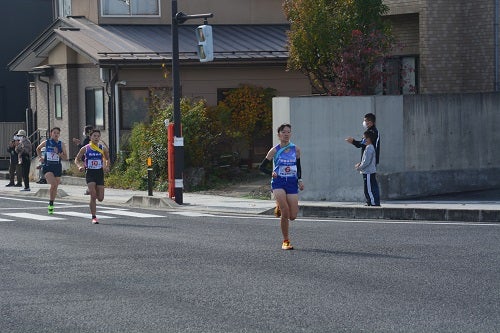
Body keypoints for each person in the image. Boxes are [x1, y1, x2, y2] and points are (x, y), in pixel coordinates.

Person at [259, 123, 304, 250]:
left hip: (291, 182)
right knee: (285, 212)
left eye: (288, 132)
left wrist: (300, 180)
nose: (286, 134)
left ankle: (279, 204)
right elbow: (261, 167)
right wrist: (271, 173)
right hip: (278, 182)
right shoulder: (274, 150)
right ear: (279, 135)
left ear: (291, 134)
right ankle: (286, 241)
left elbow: (298, 167)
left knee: (293, 216)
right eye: (283, 132)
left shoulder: (296, 149)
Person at [74, 129, 110, 224]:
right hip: (90, 173)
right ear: (90, 137)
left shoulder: (102, 148)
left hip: (99, 173)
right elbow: (77, 159)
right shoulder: (85, 148)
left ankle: (94, 192)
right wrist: (79, 166)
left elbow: (107, 158)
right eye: (94, 136)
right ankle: (94, 217)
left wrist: (106, 166)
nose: (96, 138)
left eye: (98, 136)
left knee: (100, 198)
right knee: (93, 195)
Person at [36, 127, 68, 214]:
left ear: (59, 134)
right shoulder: (47, 142)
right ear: (51, 134)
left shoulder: (61, 144)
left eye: (58, 133)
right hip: (47, 166)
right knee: (53, 184)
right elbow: (38, 149)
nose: (56, 134)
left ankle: (51, 203)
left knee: (55, 187)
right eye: (54, 133)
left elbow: (66, 157)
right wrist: (41, 157)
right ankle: (50, 203)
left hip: (57, 166)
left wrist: (60, 154)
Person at [355, 131, 380, 206]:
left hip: (368, 172)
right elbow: (365, 160)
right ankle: (370, 202)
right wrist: (360, 164)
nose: (363, 140)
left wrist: (359, 167)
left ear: (368, 139)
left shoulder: (369, 148)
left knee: (369, 189)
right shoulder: (369, 147)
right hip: (367, 171)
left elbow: (366, 162)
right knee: (368, 188)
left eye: (364, 138)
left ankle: (373, 202)